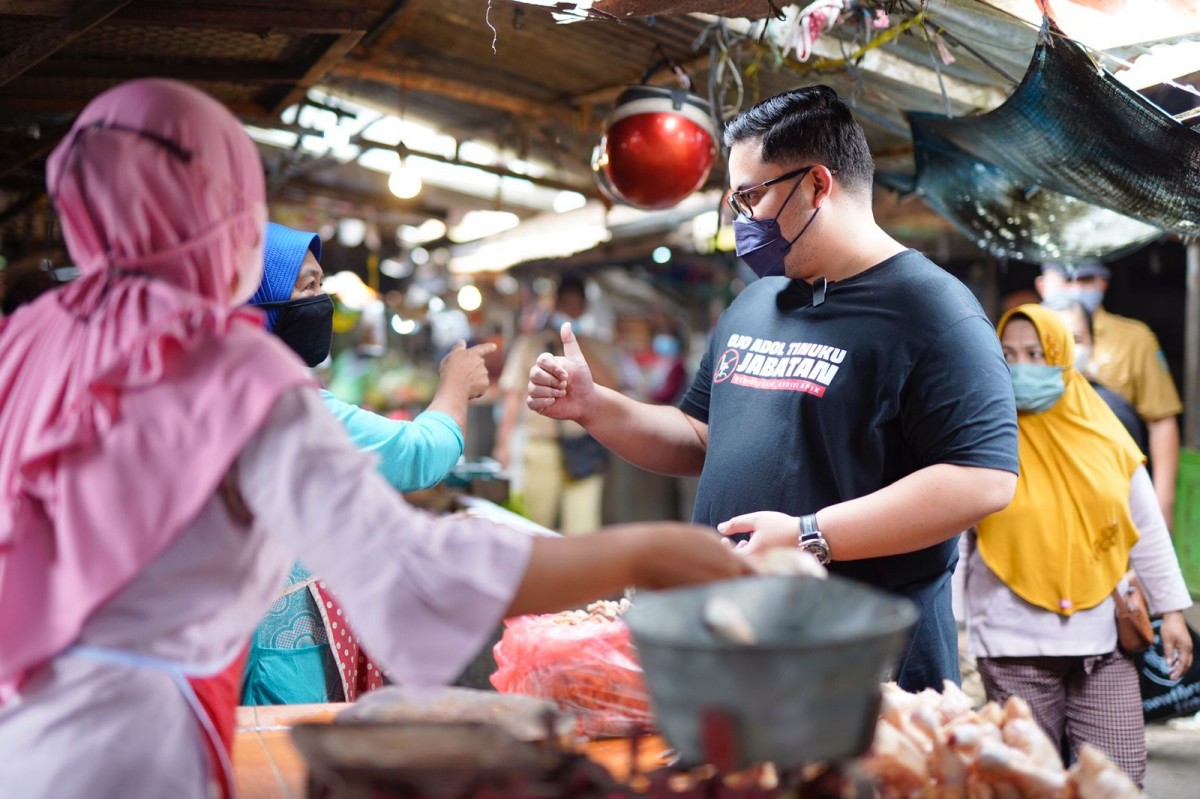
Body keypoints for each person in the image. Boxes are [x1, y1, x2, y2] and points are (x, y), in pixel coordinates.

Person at [0, 79, 750, 799]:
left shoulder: (29, 340)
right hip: (134, 752)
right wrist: (645, 551)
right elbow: (410, 570)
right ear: (226, 209)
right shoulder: (234, 371)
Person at [524, 85, 1019, 692]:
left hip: (860, 657)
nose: (741, 218)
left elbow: (983, 479)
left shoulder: (934, 313)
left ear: (816, 184)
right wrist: (595, 406)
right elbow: (700, 436)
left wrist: (811, 535)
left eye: (752, 196)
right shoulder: (758, 300)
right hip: (732, 637)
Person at [240, 222, 495, 705]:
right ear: (255, 295)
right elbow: (417, 455)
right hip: (278, 651)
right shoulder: (281, 403)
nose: (320, 301)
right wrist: (455, 387)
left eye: (322, 285)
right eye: (306, 286)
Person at [964, 303, 1192, 786]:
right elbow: (957, 531)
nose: (1022, 367)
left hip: (1102, 637)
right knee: (1028, 786)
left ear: (1061, 356)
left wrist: (1172, 612)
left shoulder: (1105, 435)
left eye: (1035, 352)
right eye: (1008, 354)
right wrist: (955, 622)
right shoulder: (984, 433)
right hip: (1011, 641)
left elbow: (1145, 529)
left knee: (1119, 780)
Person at [1036, 260, 1181, 526]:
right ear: (1042, 285)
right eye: (1066, 280)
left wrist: (1163, 506)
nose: (1076, 288)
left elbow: (1160, 419)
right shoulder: (1024, 337)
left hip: (1114, 489)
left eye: (1085, 279)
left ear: (1103, 282)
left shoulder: (1135, 338)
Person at [494, 274, 619, 534]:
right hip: (542, 445)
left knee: (583, 528)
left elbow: (613, 388)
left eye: (577, 303)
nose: (571, 310)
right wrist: (503, 443)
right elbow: (513, 396)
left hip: (584, 446)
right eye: (567, 303)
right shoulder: (530, 344)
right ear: (556, 303)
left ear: (584, 306)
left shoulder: (597, 345)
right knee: (535, 524)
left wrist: (580, 346)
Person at [1044, 296, 1147, 454]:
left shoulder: (1113, 413)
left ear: (1092, 343)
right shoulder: (1010, 409)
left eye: (1076, 339)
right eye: (1053, 340)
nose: (1066, 349)